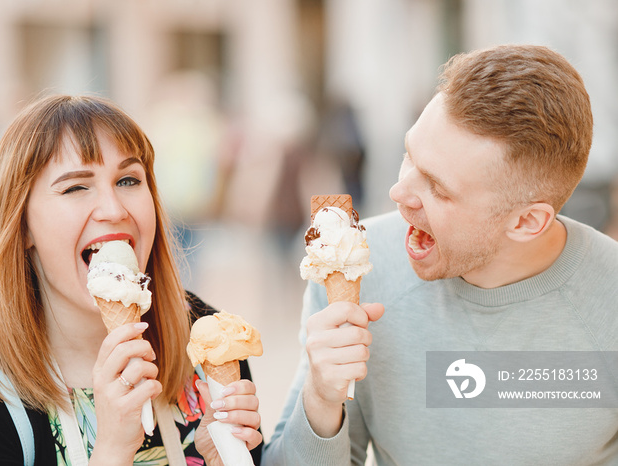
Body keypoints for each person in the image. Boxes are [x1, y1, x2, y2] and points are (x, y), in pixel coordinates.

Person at [262, 44, 618, 465]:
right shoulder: (358, 272)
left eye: (438, 188)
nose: (399, 193)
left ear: (526, 222)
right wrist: (321, 400)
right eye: (408, 155)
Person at [0, 94, 263, 465]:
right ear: (22, 225)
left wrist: (223, 459)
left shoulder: (205, 341)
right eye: (76, 187)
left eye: (129, 180)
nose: (114, 210)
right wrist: (112, 450)